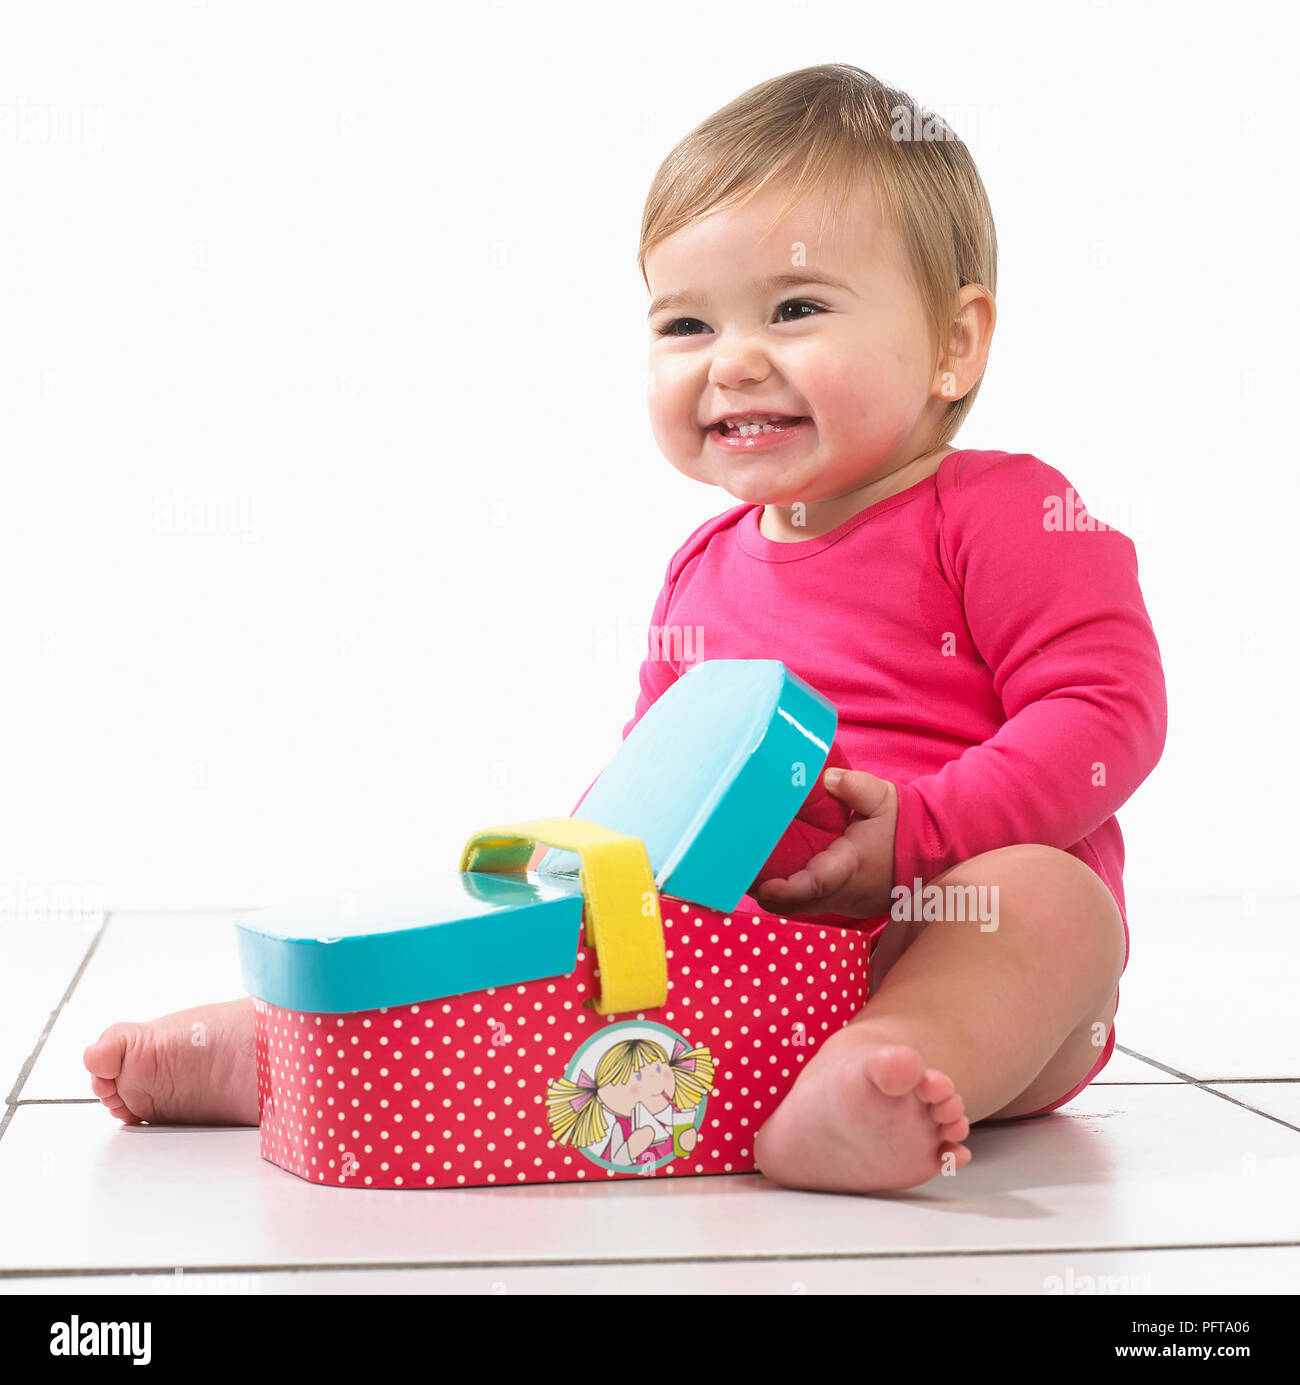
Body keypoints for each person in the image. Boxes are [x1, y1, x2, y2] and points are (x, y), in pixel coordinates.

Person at [85, 63, 1166, 1195]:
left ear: (955, 343)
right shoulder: (701, 570)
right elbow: (658, 786)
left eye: (795, 308)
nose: (731, 358)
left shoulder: (1003, 513)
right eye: (685, 322)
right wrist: (590, 886)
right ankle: (298, 1051)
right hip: (747, 965)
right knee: (556, 971)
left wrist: (927, 835)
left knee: (1050, 902)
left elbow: (1108, 714)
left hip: (953, 932)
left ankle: (879, 1075)